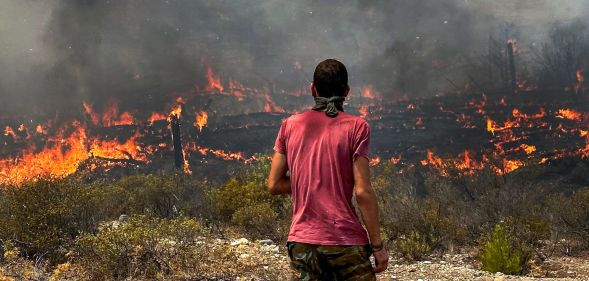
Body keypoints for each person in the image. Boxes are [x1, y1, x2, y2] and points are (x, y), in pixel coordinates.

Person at [267, 59, 389, 280]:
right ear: (347, 91)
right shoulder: (357, 127)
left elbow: (274, 184)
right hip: (345, 241)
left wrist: (310, 183)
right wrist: (378, 247)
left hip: (302, 241)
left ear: (313, 89)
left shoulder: (290, 125)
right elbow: (363, 192)